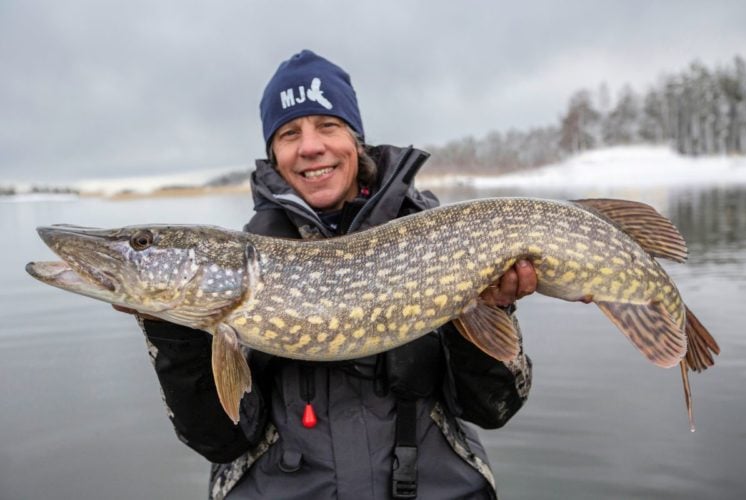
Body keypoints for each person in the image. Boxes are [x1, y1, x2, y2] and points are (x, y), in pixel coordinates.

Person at [130, 50, 536, 500]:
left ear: (355, 140)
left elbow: (494, 409)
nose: (309, 146)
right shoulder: (242, 263)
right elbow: (219, 441)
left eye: (327, 125)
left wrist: (493, 305)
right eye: (288, 133)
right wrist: (174, 332)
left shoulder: (436, 238)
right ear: (274, 155)